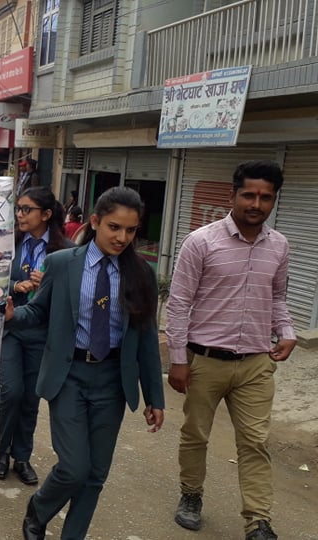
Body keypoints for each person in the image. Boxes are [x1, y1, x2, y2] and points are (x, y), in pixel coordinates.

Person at [6, 186, 165, 540]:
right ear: (95, 221)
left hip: (112, 380)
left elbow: (146, 338)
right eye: (114, 227)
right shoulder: (63, 264)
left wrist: (155, 396)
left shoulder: (141, 273)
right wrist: (14, 316)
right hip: (69, 376)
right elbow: (38, 312)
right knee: (74, 467)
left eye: (130, 230)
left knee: (95, 475)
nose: (122, 237)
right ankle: (39, 510)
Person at [166, 160, 295, 540]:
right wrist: (178, 360)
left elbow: (277, 297)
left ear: (274, 200)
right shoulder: (201, 242)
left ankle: (258, 520)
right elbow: (179, 303)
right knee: (196, 435)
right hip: (205, 361)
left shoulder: (279, 245)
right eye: (249, 195)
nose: (256, 204)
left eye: (265, 197)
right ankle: (191, 495)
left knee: (255, 442)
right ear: (232, 195)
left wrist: (286, 331)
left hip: (255, 363)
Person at [0, 186, 71, 487]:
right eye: (18, 209)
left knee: (30, 398)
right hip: (11, 329)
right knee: (11, 392)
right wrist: (15, 286)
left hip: (42, 333)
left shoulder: (65, 251)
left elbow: (75, 293)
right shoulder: (8, 244)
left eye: (27, 209)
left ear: (46, 214)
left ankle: (22, 457)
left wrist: (50, 282)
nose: (20, 215)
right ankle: (1, 452)